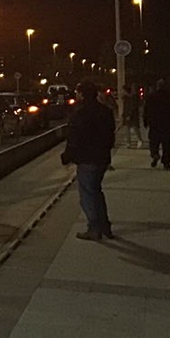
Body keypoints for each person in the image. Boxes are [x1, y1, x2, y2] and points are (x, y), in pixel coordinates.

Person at [62, 81, 115, 241]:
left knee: (87, 195)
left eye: (78, 93)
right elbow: (110, 135)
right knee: (96, 191)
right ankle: (105, 225)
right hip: (102, 158)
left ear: (82, 94)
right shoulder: (105, 111)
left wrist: (67, 156)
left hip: (87, 159)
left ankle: (94, 228)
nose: (76, 95)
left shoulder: (80, 113)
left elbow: (74, 139)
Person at [144, 79, 170, 170]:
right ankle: (166, 162)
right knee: (166, 144)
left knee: (153, 142)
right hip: (166, 123)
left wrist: (145, 121)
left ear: (157, 86)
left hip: (154, 123)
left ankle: (155, 154)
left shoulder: (151, 96)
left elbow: (146, 110)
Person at [120, 83, 144, 149]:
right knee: (126, 129)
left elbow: (133, 107)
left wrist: (129, 115)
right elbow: (125, 108)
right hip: (127, 115)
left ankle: (140, 140)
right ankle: (128, 142)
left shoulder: (133, 97)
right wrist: (123, 115)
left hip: (132, 115)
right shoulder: (125, 98)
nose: (122, 92)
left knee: (135, 127)